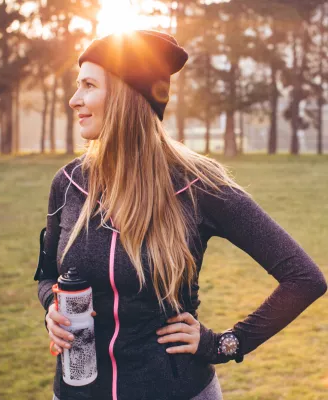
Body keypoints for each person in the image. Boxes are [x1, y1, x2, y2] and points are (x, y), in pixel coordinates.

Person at [35, 30, 327, 400]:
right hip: (75, 391)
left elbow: (304, 278)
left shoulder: (197, 186)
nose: (74, 100)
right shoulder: (68, 183)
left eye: (89, 85)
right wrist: (51, 308)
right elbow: (47, 275)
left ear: (127, 97)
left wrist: (225, 344)